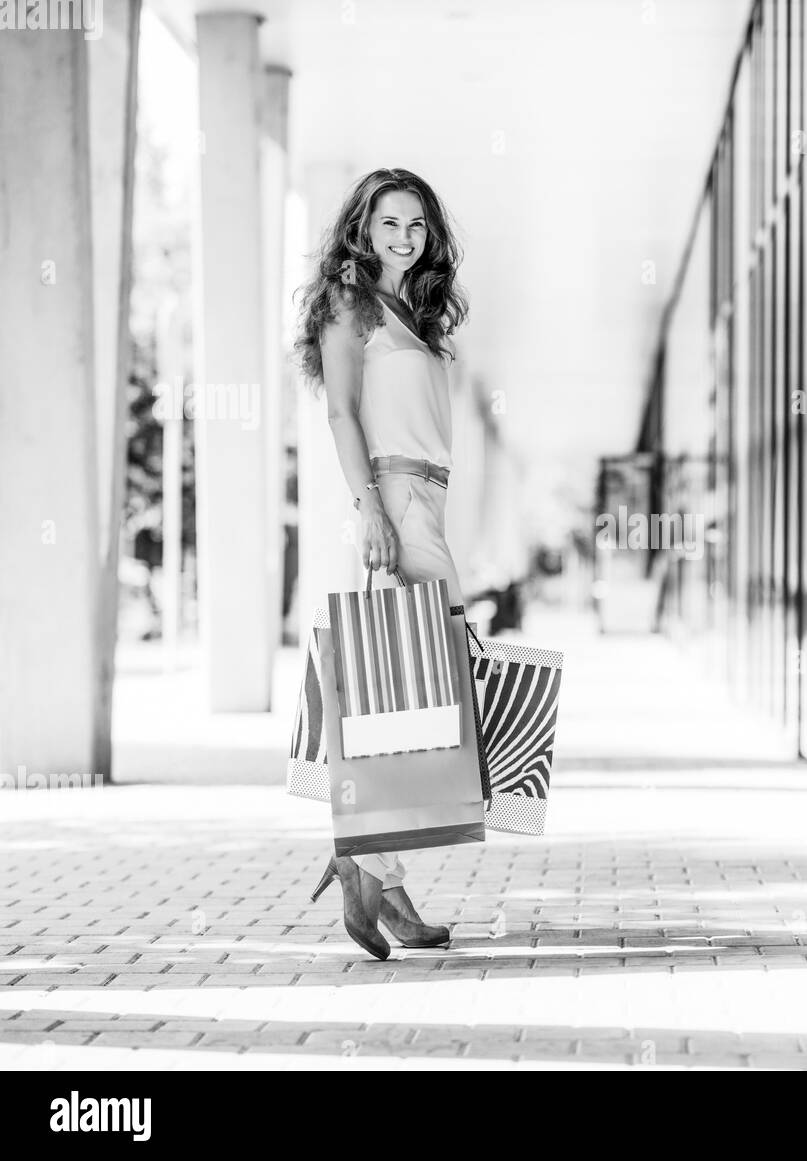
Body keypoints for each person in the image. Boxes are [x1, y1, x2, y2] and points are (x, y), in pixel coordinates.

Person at [294, 167, 469, 960]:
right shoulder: (349, 302)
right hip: (389, 501)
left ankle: (370, 861)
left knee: (422, 693)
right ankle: (379, 873)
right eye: (390, 223)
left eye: (417, 226)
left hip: (423, 501)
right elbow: (338, 410)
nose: (405, 237)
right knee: (388, 694)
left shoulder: (417, 313)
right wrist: (370, 509)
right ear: (362, 228)